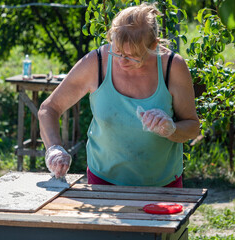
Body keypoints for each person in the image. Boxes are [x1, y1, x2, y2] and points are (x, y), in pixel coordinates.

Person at [38, 2, 200, 187]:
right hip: (103, 181)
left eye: (132, 56)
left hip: (163, 185)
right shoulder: (96, 63)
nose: (122, 61)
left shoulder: (172, 67)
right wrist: (54, 149)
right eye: (117, 51)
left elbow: (193, 127)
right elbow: (49, 109)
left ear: (153, 45)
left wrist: (172, 129)